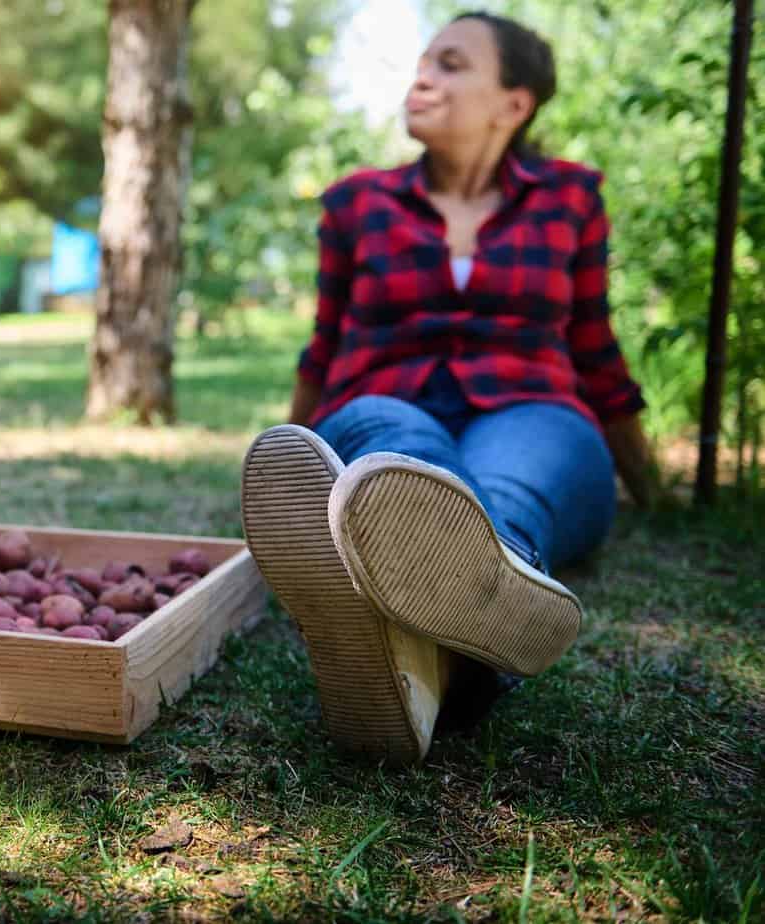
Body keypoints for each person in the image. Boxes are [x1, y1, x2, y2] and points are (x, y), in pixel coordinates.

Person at [239, 11, 662, 765]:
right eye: (422, 61)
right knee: (386, 437)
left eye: (452, 63)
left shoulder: (570, 198)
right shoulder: (355, 204)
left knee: (517, 482)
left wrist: (650, 484)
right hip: (385, 401)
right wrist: (280, 468)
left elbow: (595, 348)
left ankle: (443, 631)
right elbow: (324, 347)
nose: (421, 77)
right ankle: (477, 650)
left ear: (514, 103)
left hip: (534, 411)